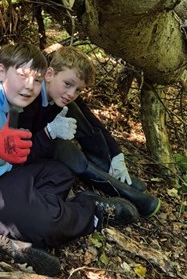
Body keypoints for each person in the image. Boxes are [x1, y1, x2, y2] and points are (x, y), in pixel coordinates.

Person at [0, 42, 139, 276]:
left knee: (60, 173)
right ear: (1, 71)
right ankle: (92, 213)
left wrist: (114, 152)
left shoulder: (7, 99)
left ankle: (15, 233)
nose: (29, 86)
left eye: (36, 80)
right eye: (23, 75)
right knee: (48, 222)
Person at [20, 46, 161, 218]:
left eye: (78, 90)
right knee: (64, 149)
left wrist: (116, 154)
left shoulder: (61, 96)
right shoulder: (27, 97)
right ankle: (123, 191)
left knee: (74, 111)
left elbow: (91, 120)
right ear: (49, 74)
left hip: (41, 145)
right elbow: (20, 152)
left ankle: (107, 167)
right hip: (26, 158)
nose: (71, 93)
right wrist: (49, 133)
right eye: (67, 84)